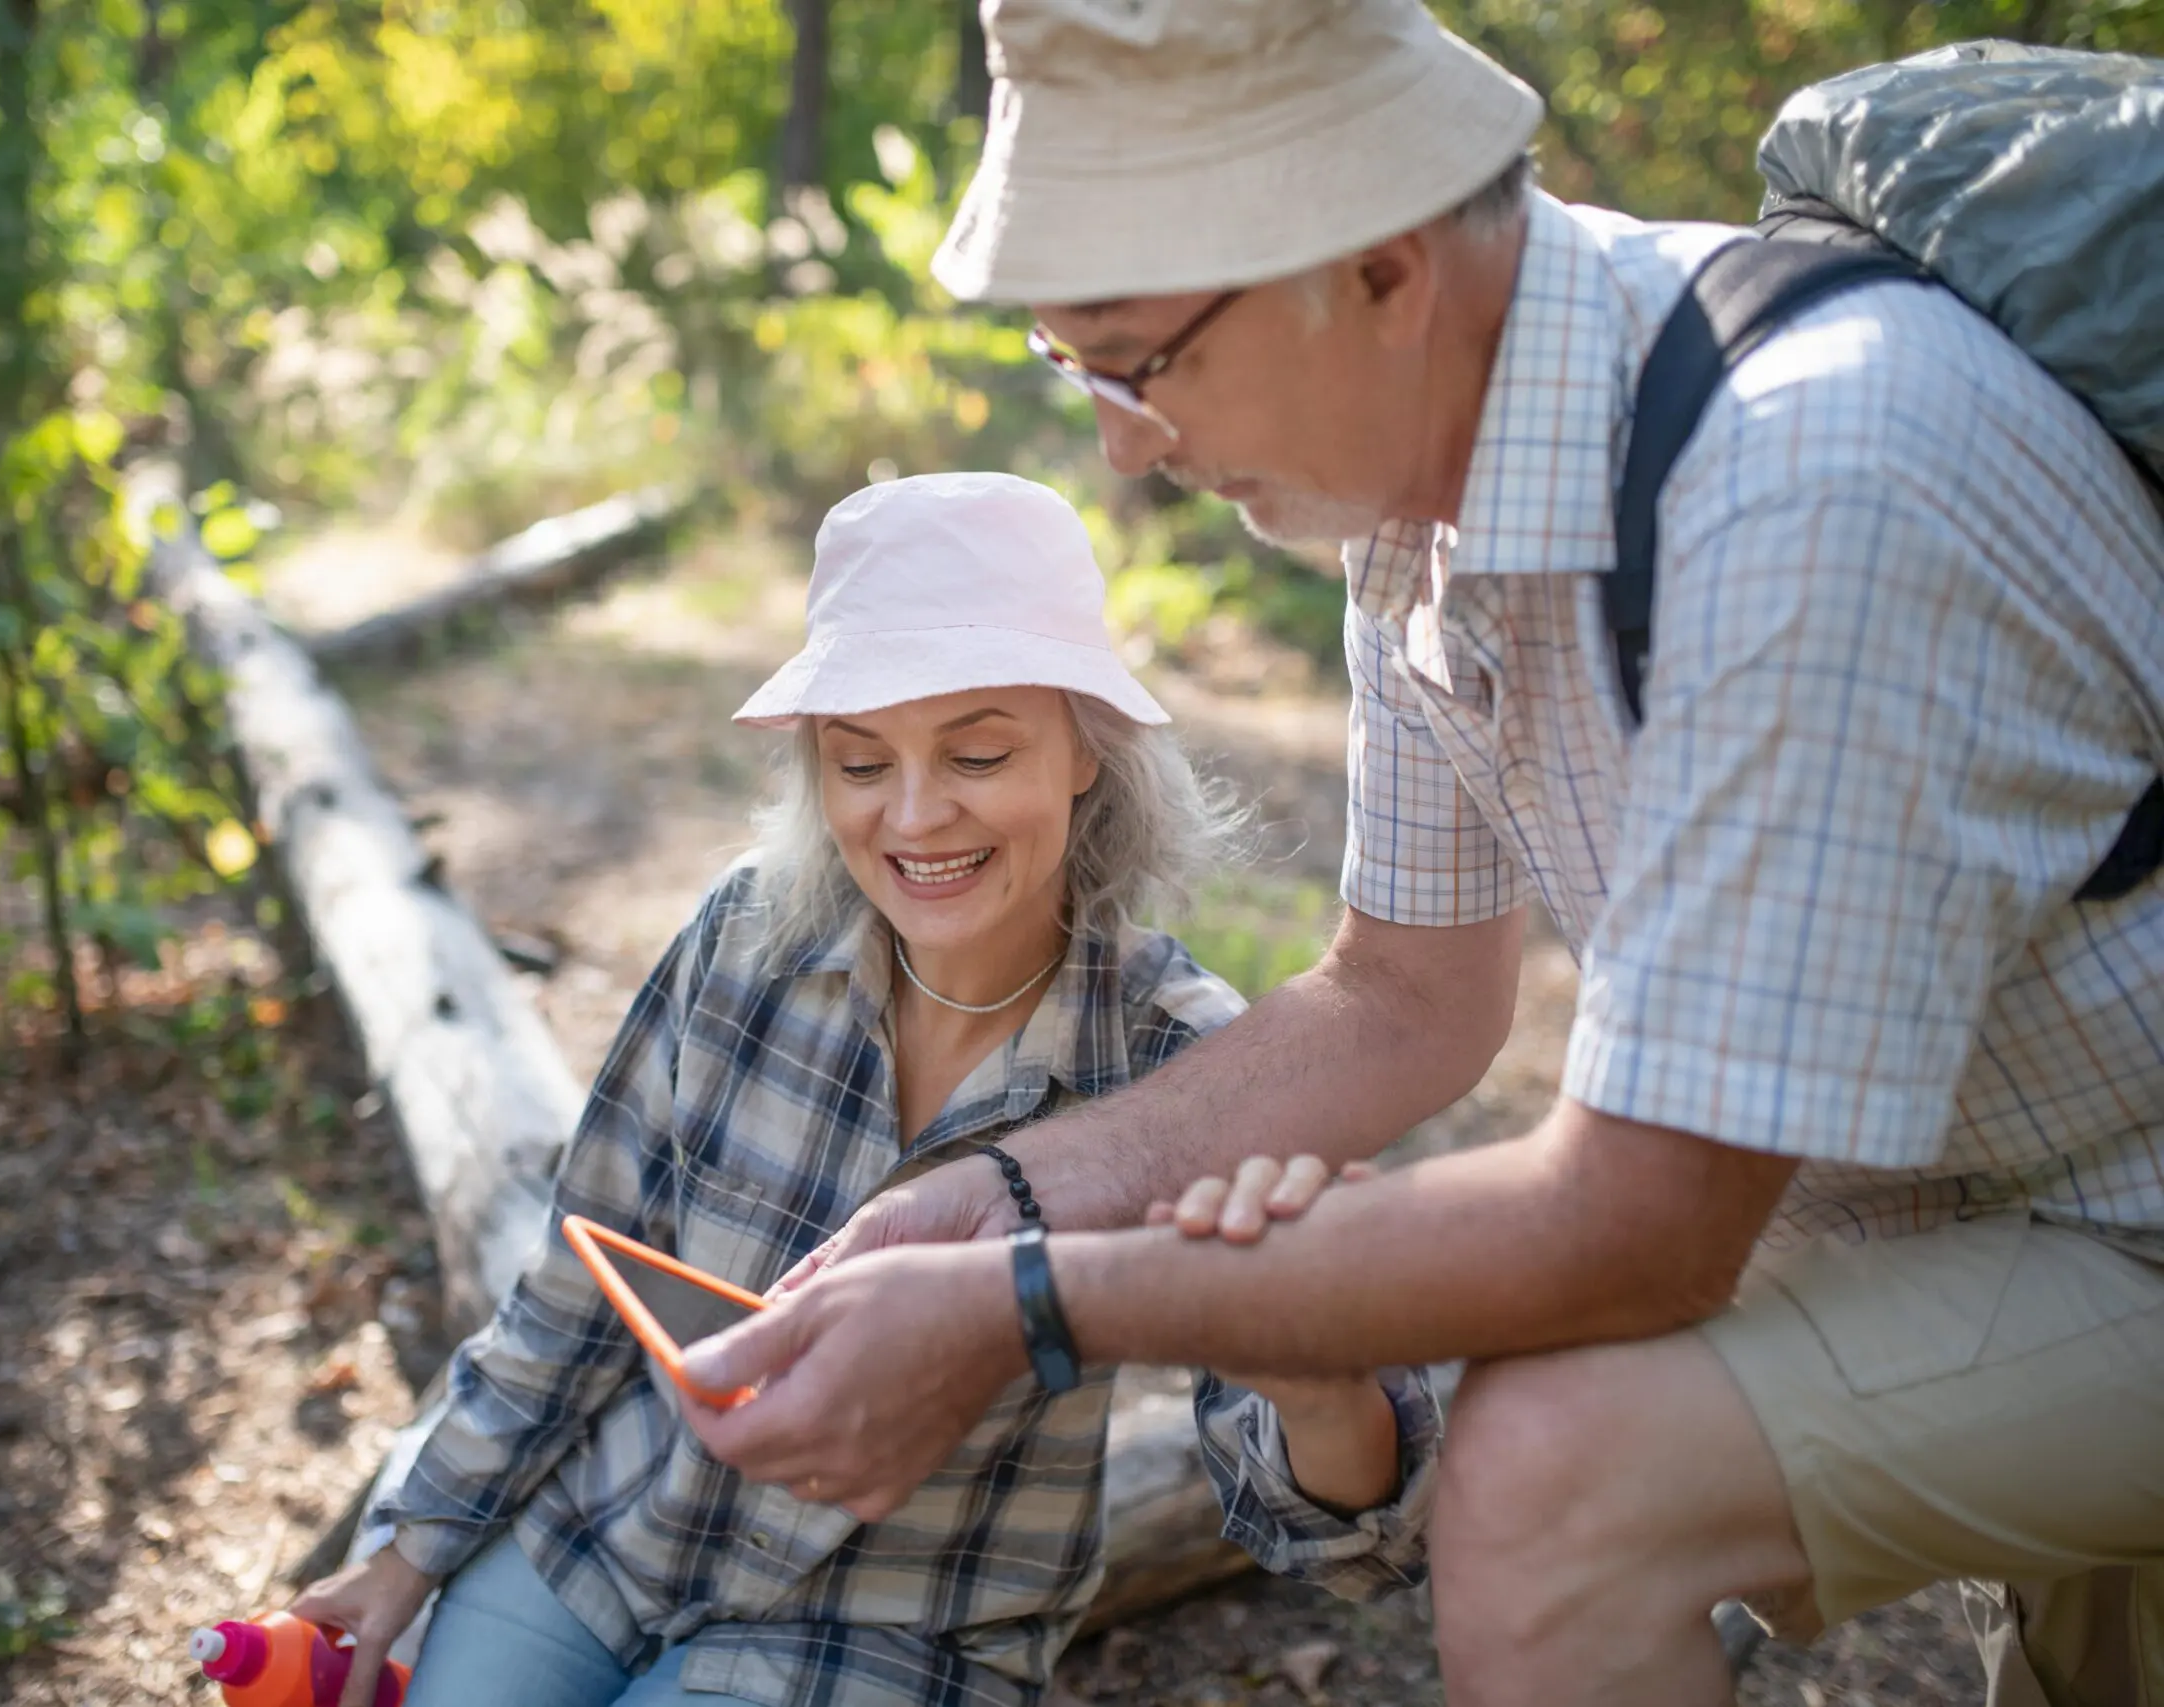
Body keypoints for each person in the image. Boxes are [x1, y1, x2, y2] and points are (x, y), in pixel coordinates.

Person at [674, 6, 2164, 1705]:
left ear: (1382, 271)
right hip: (1984, 1203)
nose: (1120, 442)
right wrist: (987, 1201)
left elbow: (1646, 1224)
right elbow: (1403, 997)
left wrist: (1021, 1303)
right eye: (1069, 366)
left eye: (1140, 362)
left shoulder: (1813, 483)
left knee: (1556, 1473)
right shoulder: (1425, 503)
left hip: (2122, 1220)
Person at [286, 471, 1420, 1707]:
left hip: (890, 1628)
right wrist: (404, 1562)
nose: (916, 815)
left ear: (1087, 750)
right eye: (860, 761)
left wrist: (1319, 1384)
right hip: (604, 1534)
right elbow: (579, 1280)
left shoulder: (1188, 1064)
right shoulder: (742, 938)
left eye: (979, 751)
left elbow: (1345, 1538)